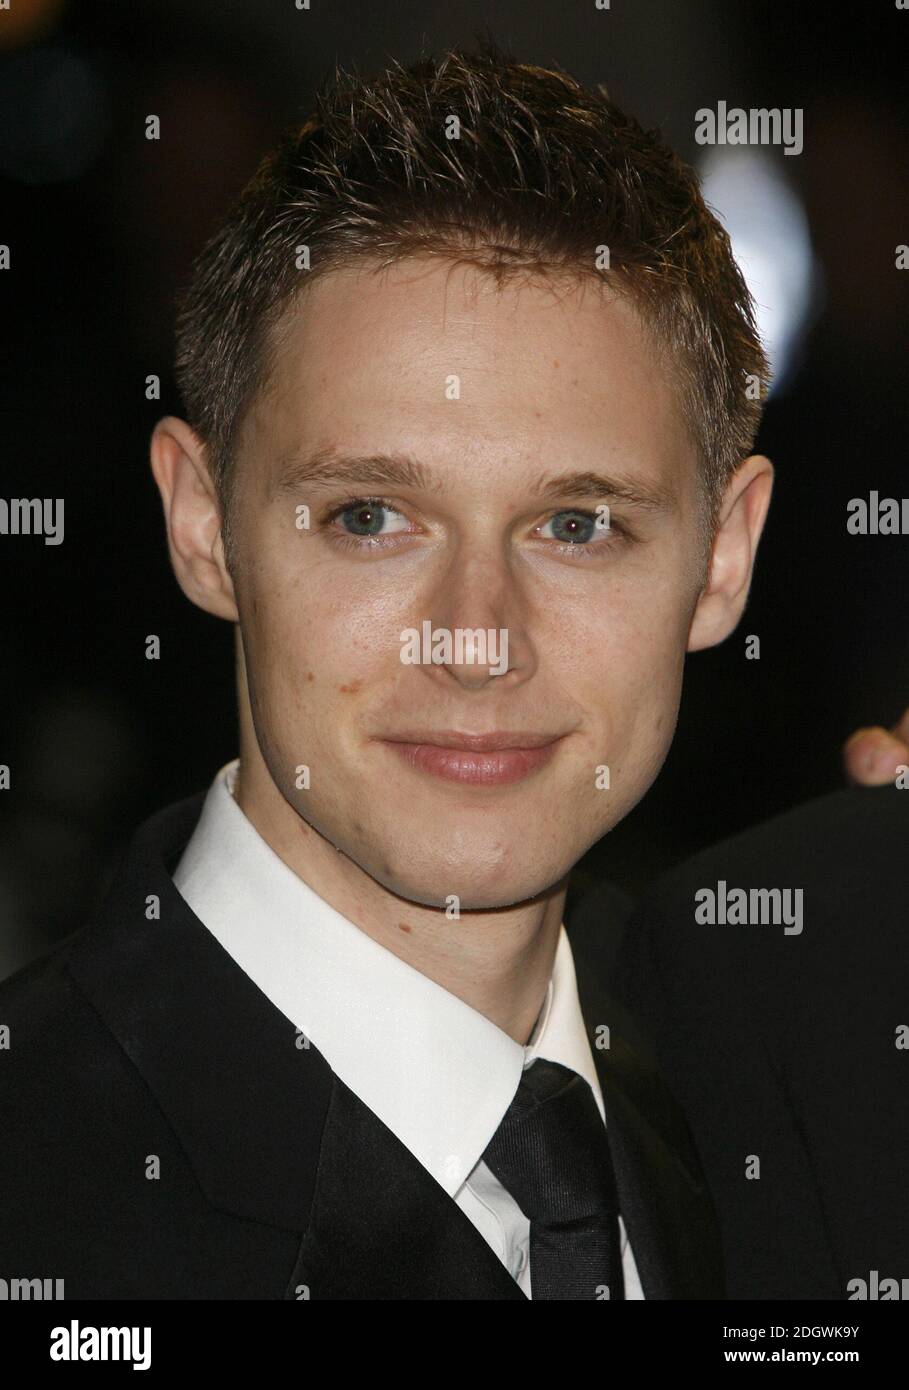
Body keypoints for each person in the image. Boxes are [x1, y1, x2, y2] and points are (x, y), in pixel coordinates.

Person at [0, 42, 900, 1301]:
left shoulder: (806, 1093)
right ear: (202, 524)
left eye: (576, 526)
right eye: (371, 516)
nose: (477, 639)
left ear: (722, 560)